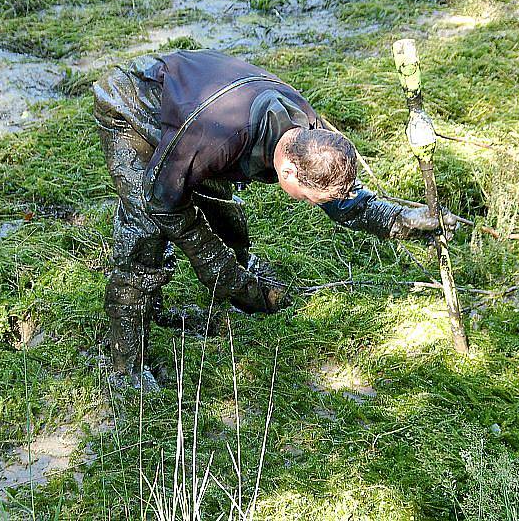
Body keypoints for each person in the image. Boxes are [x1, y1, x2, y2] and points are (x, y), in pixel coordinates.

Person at [93, 49, 454, 388]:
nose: (315, 207)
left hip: (190, 116)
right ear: (290, 173)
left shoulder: (309, 131)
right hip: (133, 106)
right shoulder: (218, 140)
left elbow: (346, 201)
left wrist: (402, 220)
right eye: (312, 200)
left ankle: (237, 279)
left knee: (221, 208)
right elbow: (165, 203)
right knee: (145, 234)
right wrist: (216, 266)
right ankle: (126, 368)